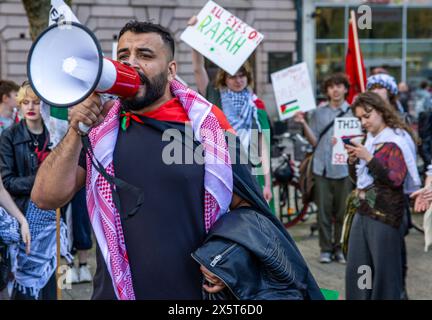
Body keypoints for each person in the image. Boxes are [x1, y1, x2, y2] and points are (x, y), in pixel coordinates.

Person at [31, 21, 321, 300]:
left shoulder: (206, 128)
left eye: (145, 55)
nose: (131, 63)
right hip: (117, 291)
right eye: (123, 55)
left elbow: (247, 207)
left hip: (190, 291)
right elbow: (45, 197)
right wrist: (76, 130)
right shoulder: (102, 133)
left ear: (171, 71)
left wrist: (227, 256)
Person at [188, 16, 274, 212]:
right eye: (232, 76)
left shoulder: (254, 104)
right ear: (224, 79)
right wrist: (195, 35)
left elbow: (262, 146)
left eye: (242, 75)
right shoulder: (214, 95)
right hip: (221, 167)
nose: (238, 80)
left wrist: (267, 182)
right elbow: (197, 68)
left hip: (249, 169)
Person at [345, 92, 420, 300]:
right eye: (360, 118)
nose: (364, 121)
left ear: (380, 111)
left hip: (386, 216)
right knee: (361, 267)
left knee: (385, 273)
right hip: (363, 210)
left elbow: (395, 179)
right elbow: (359, 179)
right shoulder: (369, 139)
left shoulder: (396, 139)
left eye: (367, 116)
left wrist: (368, 157)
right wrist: (352, 161)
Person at [0, 81, 67, 300]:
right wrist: (44, 182)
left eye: (36, 102)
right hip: (23, 216)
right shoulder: (10, 136)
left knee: (54, 283)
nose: (30, 107)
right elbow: (8, 181)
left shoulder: (55, 136)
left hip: (54, 219)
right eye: (25, 102)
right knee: (24, 284)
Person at [366, 73, 420, 299]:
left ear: (390, 93)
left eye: (380, 88)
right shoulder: (367, 122)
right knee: (369, 263)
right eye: (372, 88)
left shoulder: (400, 125)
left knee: (393, 262)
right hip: (369, 200)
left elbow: (399, 173)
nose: (376, 92)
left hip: (392, 203)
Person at [294, 73, 353, 264]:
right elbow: (314, 141)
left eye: (339, 86)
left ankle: (341, 248)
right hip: (322, 168)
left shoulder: (353, 112)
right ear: (327, 91)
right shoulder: (319, 113)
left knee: (343, 211)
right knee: (324, 212)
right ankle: (326, 249)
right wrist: (303, 123)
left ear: (345, 89)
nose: (335, 90)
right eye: (331, 86)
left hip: (344, 170)